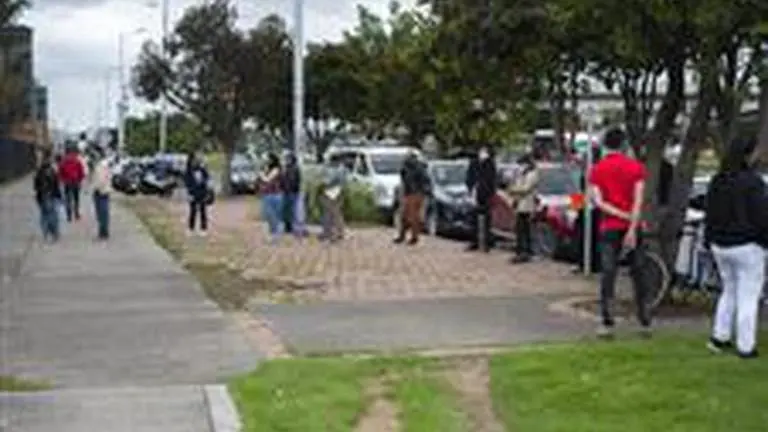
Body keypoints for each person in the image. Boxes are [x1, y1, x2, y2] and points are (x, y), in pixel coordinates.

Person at [704, 138, 768, 359]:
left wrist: (710, 240)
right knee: (748, 296)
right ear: (747, 155)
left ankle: (719, 337)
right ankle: (746, 345)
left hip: (720, 244)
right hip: (747, 245)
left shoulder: (717, 180)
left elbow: (709, 214)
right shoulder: (753, 183)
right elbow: (761, 217)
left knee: (729, 291)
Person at [588, 128, 651, 338]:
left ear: (606, 145)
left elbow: (598, 202)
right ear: (624, 144)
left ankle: (607, 316)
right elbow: (639, 199)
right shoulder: (636, 168)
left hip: (609, 227)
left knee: (608, 272)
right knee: (638, 271)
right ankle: (644, 314)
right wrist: (632, 225)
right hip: (633, 227)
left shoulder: (597, 170)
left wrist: (621, 216)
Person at [505, 153, 540, 263]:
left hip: (527, 205)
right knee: (519, 229)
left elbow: (526, 188)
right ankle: (520, 251)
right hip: (520, 204)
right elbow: (517, 183)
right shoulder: (521, 173)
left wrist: (513, 189)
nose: (521, 166)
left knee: (526, 229)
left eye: (523, 163)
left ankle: (527, 252)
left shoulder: (533, 173)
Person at [393, 151, 431, 245]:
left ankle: (413, 237)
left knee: (412, 217)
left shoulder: (417, 168)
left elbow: (421, 181)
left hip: (414, 194)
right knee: (407, 216)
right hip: (411, 193)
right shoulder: (412, 168)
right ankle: (404, 235)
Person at [465, 144, 497, 252]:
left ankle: (487, 243)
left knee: (487, 219)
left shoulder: (490, 163)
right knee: (474, 219)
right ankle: (474, 241)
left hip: (486, 194)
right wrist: (471, 188)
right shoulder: (474, 162)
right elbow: (469, 176)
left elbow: (492, 179)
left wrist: (489, 192)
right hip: (475, 193)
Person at [34, 150, 62, 243]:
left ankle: (45, 233)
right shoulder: (51, 171)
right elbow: (55, 184)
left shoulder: (39, 172)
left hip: (42, 196)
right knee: (52, 214)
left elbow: (35, 186)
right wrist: (58, 195)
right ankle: (54, 233)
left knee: (44, 215)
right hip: (49, 195)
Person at [184, 151, 211, 236]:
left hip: (202, 192)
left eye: (197, 159)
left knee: (203, 211)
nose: (196, 161)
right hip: (192, 193)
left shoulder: (202, 169)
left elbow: (207, 178)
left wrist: (207, 190)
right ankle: (190, 228)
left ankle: (203, 228)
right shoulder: (188, 171)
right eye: (195, 159)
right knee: (193, 211)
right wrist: (189, 193)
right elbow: (187, 183)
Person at [319, 161, 346, 243]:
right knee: (337, 214)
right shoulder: (343, 170)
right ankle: (339, 233)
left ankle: (330, 234)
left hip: (331, 193)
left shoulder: (333, 170)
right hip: (338, 193)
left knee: (329, 214)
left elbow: (327, 181)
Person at [259, 153, 283, 244]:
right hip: (266, 195)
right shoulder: (267, 169)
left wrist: (261, 174)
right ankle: (269, 237)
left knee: (274, 216)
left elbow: (267, 180)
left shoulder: (276, 169)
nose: (265, 161)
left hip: (274, 195)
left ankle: (275, 237)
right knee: (266, 216)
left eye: (267, 159)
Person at [58, 145, 86, 222]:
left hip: (67, 183)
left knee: (68, 199)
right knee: (76, 199)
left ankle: (69, 216)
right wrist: (80, 180)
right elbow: (81, 172)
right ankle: (76, 214)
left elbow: (60, 173)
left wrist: (63, 180)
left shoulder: (63, 162)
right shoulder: (77, 161)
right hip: (75, 182)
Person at [91, 149, 113, 240]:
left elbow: (101, 180)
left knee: (101, 213)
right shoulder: (105, 165)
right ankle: (103, 231)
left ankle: (103, 232)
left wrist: (96, 188)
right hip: (104, 191)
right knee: (103, 213)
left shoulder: (101, 166)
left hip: (100, 191)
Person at [280, 152, 302, 236]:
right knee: (286, 210)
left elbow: (296, 180)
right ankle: (287, 226)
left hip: (292, 192)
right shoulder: (285, 168)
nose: (286, 160)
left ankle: (293, 227)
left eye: (288, 158)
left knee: (292, 210)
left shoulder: (295, 168)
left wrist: (293, 188)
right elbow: (283, 179)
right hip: (285, 192)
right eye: (286, 158)